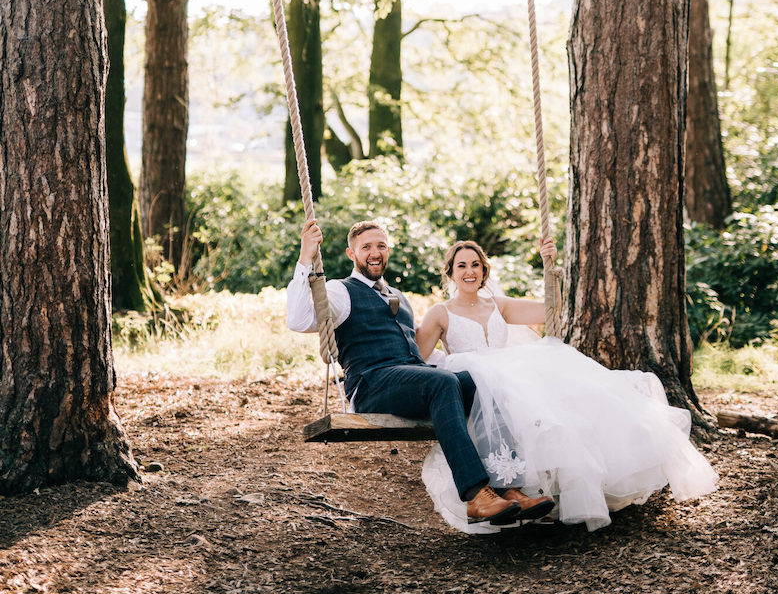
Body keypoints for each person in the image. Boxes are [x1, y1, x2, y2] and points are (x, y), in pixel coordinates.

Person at [415, 239, 719, 535]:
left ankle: (531, 492)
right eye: (462, 266)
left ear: (484, 270)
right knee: (513, 399)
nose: (470, 271)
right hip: (475, 380)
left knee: (572, 394)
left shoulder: (498, 305)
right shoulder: (441, 312)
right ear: (450, 272)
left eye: (476, 265)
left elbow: (552, 307)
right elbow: (419, 355)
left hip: (507, 373)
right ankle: (505, 490)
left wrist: (550, 266)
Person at [286, 219, 555, 527]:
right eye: (366, 248)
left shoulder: (399, 297)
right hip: (372, 384)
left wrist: (464, 367)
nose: (375, 253)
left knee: (481, 382)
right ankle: (477, 494)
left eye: (381, 246)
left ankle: (510, 488)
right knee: (441, 383)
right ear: (351, 254)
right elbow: (298, 319)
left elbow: (415, 349)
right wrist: (306, 257)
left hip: (409, 379)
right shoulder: (340, 291)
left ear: (388, 251)